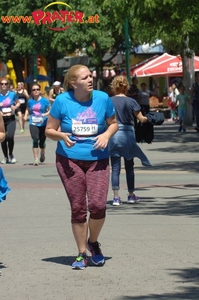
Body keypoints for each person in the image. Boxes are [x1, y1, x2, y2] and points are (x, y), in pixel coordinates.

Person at [45, 64, 118, 270]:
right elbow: (49, 131)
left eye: (91, 76)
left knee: (98, 205)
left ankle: (93, 242)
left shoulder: (103, 98)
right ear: (73, 82)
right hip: (69, 160)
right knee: (78, 208)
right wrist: (61, 135)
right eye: (85, 77)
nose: (90, 79)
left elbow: (113, 123)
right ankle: (81, 254)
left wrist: (106, 135)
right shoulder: (62, 101)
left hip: (98, 159)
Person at [108, 75, 151, 206]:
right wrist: (150, 118)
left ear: (114, 87)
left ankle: (116, 197)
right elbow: (141, 118)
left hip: (114, 134)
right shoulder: (132, 101)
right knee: (129, 166)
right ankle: (131, 195)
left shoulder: (108, 101)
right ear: (126, 87)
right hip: (128, 135)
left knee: (115, 167)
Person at [24, 83, 50, 166]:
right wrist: (25, 115)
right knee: (35, 139)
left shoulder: (45, 100)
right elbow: (28, 109)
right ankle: (36, 159)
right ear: (31, 91)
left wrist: (45, 114)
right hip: (33, 122)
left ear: (40, 90)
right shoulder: (30, 101)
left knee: (42, 142)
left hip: (43, 122)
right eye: (34, 90)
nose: (36, 91)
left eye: (37, 89)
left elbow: (50, 110)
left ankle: (42, 152)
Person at [0, 77, 20, 164]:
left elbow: (18, 102)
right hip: (1, 119)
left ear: (8, 85)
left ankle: (11, 154)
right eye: (2, 84)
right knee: (3, 137)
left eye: (5, 84)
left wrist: (15, 107)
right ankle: (5, 156)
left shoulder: (12, 94)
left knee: (10, 136)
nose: (4, 85)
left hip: (11, 118)